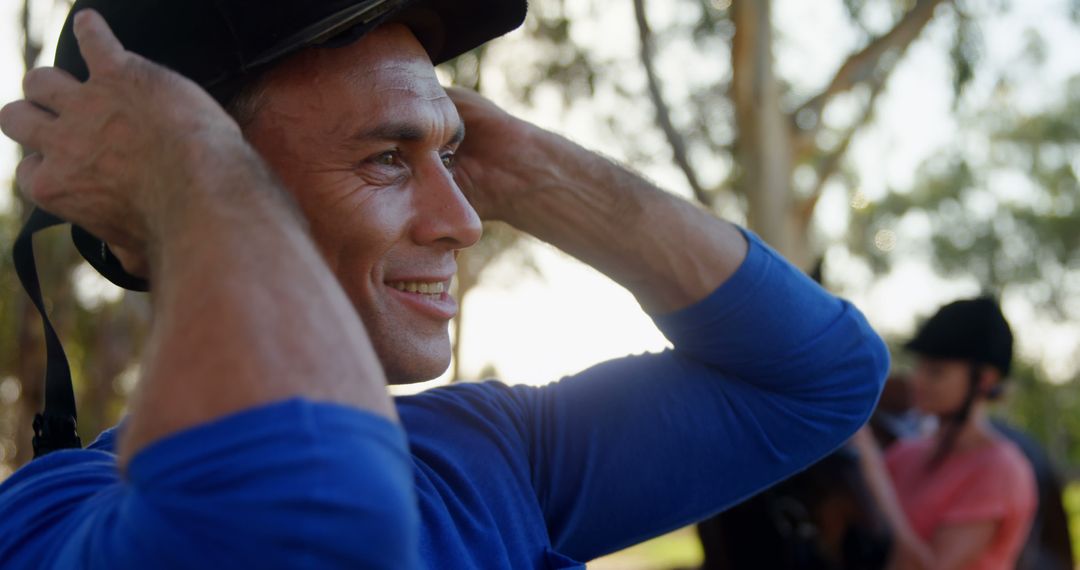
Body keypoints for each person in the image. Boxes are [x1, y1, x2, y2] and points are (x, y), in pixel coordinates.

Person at [0, 0, 890, 568]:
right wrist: (189, 175)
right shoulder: (48, 523)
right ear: (157, 205)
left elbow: (820, 376)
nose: (464, 220)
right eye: (387, 157)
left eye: (451, 154)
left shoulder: (487, 451)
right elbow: (310, 519)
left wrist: (536, 171)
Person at [853, 297, 1037, 570]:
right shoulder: (907, 453)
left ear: (984, 379)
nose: (917, 380)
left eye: (935, 372)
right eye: (920, 367)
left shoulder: (1000, 470)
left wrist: (871, 468)